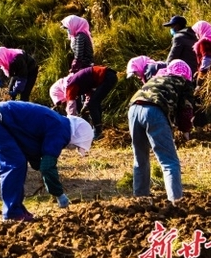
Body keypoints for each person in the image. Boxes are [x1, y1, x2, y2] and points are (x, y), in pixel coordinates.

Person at [0, 100, 94, 222]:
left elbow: (34, 153)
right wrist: (59, 194)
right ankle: (12, 213)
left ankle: (17, 209)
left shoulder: (60, 124)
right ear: (76, 137)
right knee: (14, 163)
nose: (71, 148)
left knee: (18, 161)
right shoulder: (61, 131)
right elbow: (47, 166)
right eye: (75, 146)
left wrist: (44, 171)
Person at [128, 59, 195, 204]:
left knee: (140, 158)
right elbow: (186, 110)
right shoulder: (183, 82)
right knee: (169, 162)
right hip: (154, 111)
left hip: (133, 108)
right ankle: (176, 202)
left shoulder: (158, 76)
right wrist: (185, 131)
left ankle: (140, 199)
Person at [49, 65, 118, 139]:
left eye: (60, 102)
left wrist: (71, 124)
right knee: (94, 103)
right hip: (109, 76)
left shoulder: (70, 85)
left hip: (107, 77)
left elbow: (71, 107)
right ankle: (98, 129)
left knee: (93, 104)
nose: (62, 104)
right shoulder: (77, 81)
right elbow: (89, 93)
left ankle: (98, 131)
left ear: (60, 92)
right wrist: (85, 106)